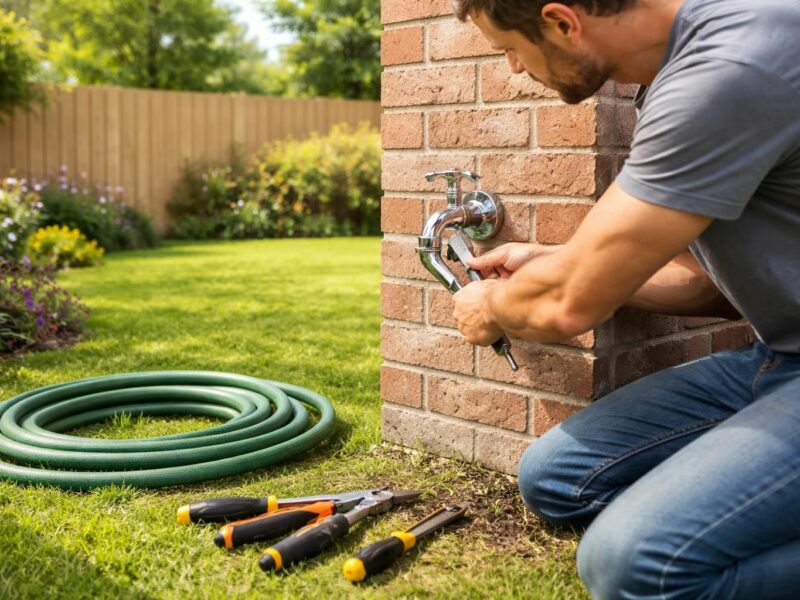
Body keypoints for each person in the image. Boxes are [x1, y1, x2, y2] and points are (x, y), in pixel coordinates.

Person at [448, 0, 800, 598]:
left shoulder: (732, 66)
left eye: (509, 46)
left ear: (561, 21)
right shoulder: (667, 77)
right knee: (557, 478)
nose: (510, 67)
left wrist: (494, 306)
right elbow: (709, 287)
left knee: (632, 564)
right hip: (779, 355)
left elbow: (566, 306)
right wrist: (560, 265)